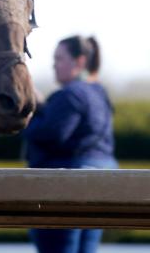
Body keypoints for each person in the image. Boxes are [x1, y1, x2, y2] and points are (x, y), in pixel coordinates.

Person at [24, 35, 117, 253]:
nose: (53, 64)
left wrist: (26, 119)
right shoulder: (98, 92)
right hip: (102, 186)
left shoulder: (70, 95)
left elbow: (51, 134)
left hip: (66, 189)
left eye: (60, 58)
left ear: (80, 61)